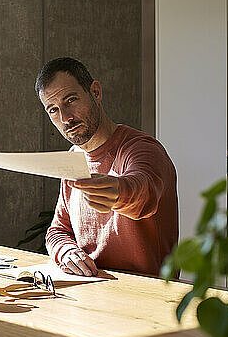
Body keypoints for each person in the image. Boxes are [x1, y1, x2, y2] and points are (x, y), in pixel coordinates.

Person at [36, 57, 178, 277]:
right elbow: (58, 230)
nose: (65, 118)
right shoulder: (74, 158)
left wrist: (119, 192)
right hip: (91, 293)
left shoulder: (143, 148)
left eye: (70, 100)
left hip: (148, 299)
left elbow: (144, 191)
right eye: (53, 110)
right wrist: (67, 252)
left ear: (95, 92)